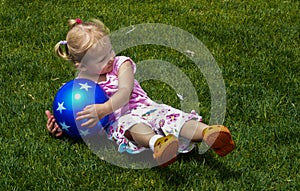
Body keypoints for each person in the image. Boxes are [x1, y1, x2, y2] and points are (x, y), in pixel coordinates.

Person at [45, 18, 235, 167]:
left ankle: (209, 133)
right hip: (119, 120)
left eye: (110, 50)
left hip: (145, 107)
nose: (110, 58)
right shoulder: (78, 87)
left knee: (171, 117)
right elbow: (76, 114)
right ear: (82, 64)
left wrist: (104, 108)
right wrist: (62, 125)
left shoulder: (121, 64)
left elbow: (125, 91)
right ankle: (158, 143)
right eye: (102, 58)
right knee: (131, 125)